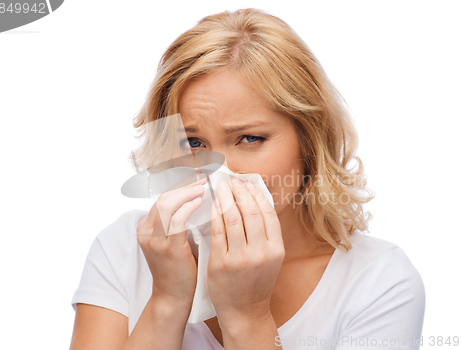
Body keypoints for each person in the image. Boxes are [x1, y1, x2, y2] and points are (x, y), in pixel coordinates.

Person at [69, 8, 425, 350]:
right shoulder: (126, 249)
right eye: (193, 143)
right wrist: (167, 300)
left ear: (310, 139)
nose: (218, 171)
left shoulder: (380, 281)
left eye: (250, 139)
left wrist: (247, 315)